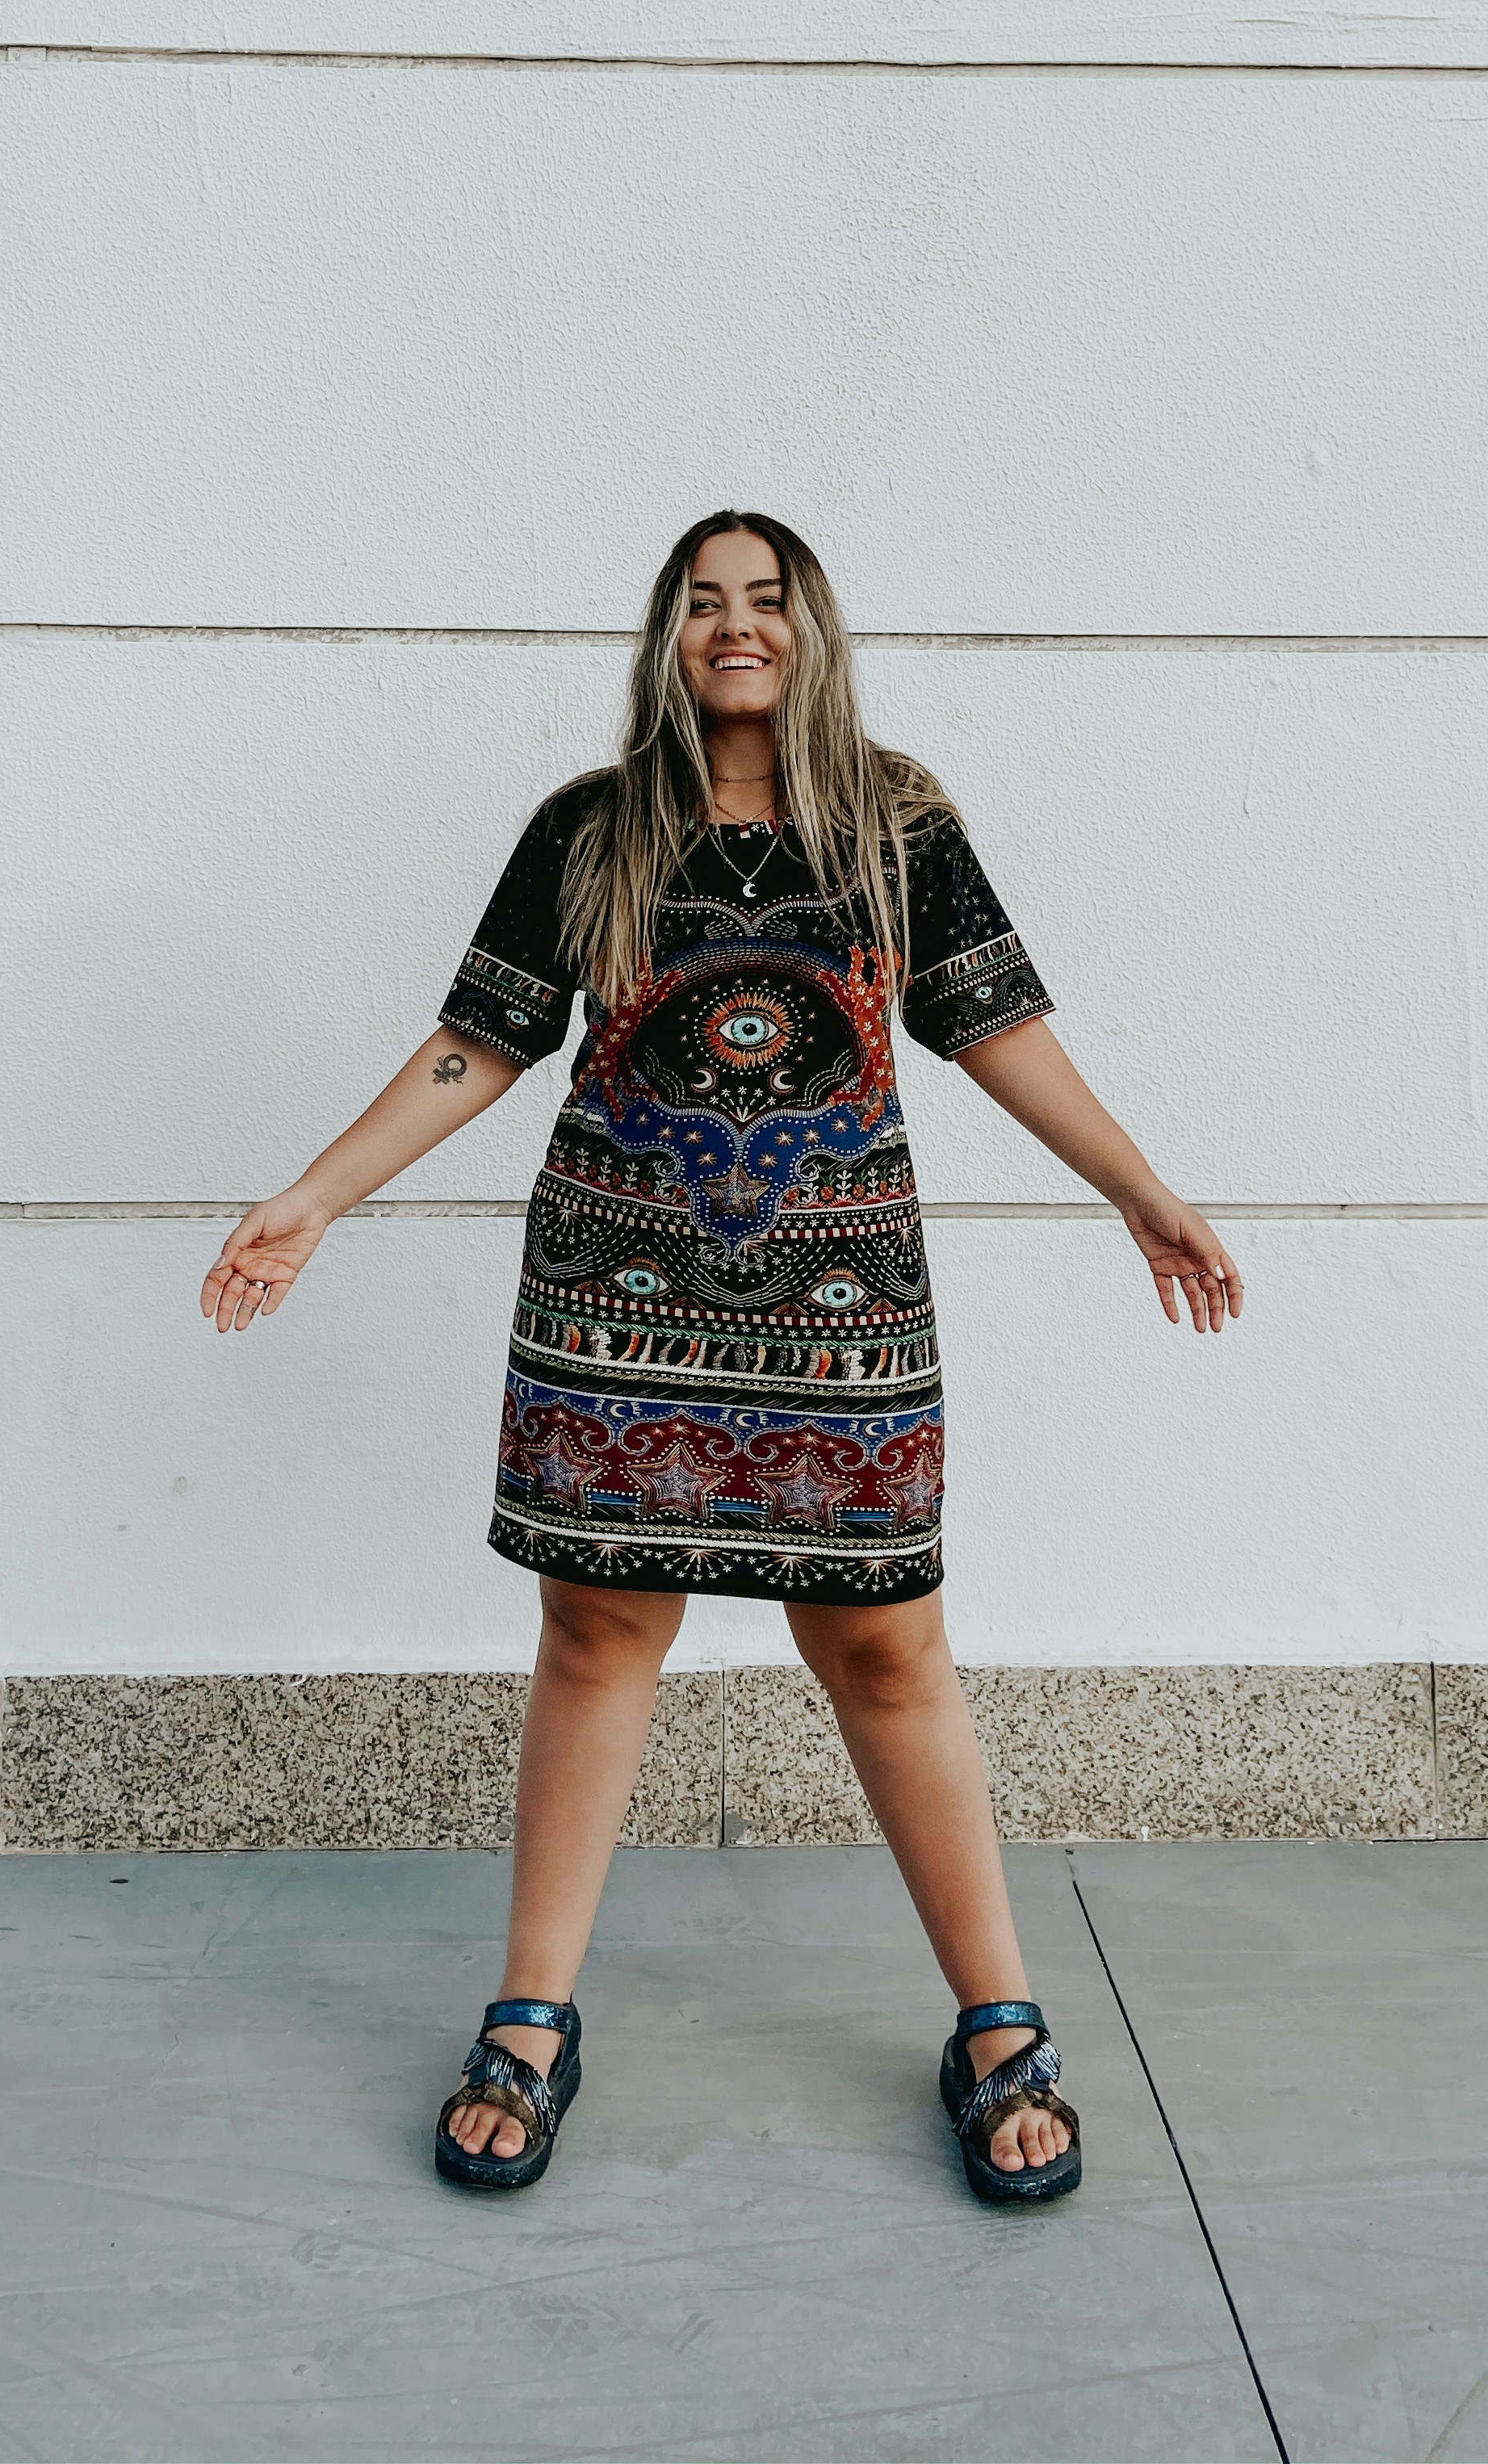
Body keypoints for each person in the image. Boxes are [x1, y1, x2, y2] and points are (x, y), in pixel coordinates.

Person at [201, 511, 1240, 2205]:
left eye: (766, 602)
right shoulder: (590, 833)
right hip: (615, 1289)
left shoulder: (898, 825)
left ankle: (996, 2021)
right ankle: (533, 2018)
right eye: (704, 603)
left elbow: (998, 1030)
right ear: (666, 635)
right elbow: (482, 1041)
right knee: (599, 1626)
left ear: (811, 630)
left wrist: (1142, 1195)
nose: (735, 628)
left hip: (841, 1297)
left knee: (888, 1647)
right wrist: (311, 1199)